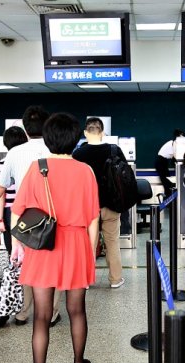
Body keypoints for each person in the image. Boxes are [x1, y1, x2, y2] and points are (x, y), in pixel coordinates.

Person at [11, 112, 100, 363]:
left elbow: (18, 213)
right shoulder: (85, 171)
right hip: (75, 245)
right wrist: (90, 255)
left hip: (43, 245)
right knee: (77, 310)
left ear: (47, 139)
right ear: (76, 139)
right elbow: (93, 221)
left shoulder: (37, 169)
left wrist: (20, 247)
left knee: (41, 316)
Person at [0, 106, 60, 327]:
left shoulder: (15, 153)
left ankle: (22, 313)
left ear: (26, 129)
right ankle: (51, 313)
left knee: (26, 264)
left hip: (26, 220)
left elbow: (0, 186)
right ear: (48, 125)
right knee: (53, 266)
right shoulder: (55, 150)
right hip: (55, 217)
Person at [73, 117, 126, 288]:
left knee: (88, 243)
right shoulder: (114, 150)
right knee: (112, 242)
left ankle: (86, 280)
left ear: (85, 133)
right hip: (111, 204)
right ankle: (115, 279)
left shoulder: (78, 154)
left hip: (86, 207)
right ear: (103, 132)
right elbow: (125, 175)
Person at [0, 126, 28, 255]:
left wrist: (0, 219)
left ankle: (16, 273)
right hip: (31, 210)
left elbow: (1, 192)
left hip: (10, 211)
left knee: (12, 250)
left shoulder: (2, 163)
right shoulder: (32, 162)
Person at [155, 129, 184, 197]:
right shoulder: (174, 143)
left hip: (163, 162)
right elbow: (176, 155)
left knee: (168, 185)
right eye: (181, 136)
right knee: (167, 185)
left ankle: (169, 204)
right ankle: (168, 204)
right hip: (161, 162)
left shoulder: (174, 143)